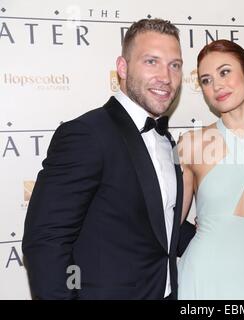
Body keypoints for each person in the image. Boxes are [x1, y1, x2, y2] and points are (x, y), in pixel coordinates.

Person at [22, 18, 196, 300]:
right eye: (151, 61)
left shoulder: (167, 141)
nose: (166, 76)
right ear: (122, 68)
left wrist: (228, 239)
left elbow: (156, 220)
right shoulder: (87, 134)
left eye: (174, 65)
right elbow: (46, 241)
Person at [176, 40, 244, 300]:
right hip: (204, 277)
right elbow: (170, 226)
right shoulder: (190, 145)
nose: (216, 85)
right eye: (206, 80)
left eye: (224, 72)